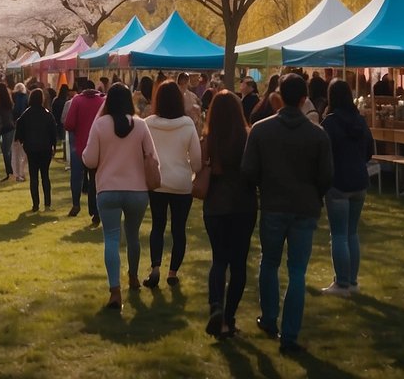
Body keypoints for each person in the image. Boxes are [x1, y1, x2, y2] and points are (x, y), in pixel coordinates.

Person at [242, 73, 334, 356]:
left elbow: (248, 171)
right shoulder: (317, 135)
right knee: (297, 271)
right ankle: (289, 334)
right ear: (304, 100)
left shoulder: (261, 130)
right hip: (304, 208)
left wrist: (263, 187)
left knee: (269, 262)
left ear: (278, 96)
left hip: (273, 205)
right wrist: (313, 194)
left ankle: (270, 319)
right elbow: (326, 176)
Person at [82, 83, 157, 310]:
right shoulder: (141, 125)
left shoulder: (100, 125)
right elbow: (152, 157)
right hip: (137, 191)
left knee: (112, 239)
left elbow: (90, 160)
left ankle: (115, 291)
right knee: (133, 237)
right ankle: (133, 277)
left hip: (108, 190)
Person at [201, 89, 257, 339]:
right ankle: (229, 317)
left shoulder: (210, 139)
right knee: (238, 264)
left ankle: (216, 305)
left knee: (219, 259)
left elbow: (199, 166)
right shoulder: (248, 137)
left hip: (215, 206)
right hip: (243, 205)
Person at [143, 80, 201, 288]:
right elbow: (196, 159)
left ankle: (155, 267)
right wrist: (193, 171)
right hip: (181, 183)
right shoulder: (187, 124)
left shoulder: (148, 123)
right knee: (179, 229)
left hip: (157, 182)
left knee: (157, 226)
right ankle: (172, 272)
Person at [320, 79, 374, 297]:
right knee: (352, 233)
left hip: (338, 183)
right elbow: (369, 150)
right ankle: (351, 280)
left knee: (340, 234)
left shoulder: (330, 123)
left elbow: (322, 153)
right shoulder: (360, 121)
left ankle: (342, 283)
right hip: (359, 181)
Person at [63, 78, 105, 225]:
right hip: (98, 148)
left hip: (79, 146)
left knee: (76, 176)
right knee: (95, 180)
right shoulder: (103, 101)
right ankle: (95, 210)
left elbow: (68, 124)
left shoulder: (77, 101)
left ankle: (76, 203)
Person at [14, 88, 58, 211]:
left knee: (34, 177)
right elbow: (53, 132)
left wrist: (23, 142)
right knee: (45, 175)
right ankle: (47, 204)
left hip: (31, 148)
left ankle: (35, 204)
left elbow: (19, 130)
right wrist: (53, 146)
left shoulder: (26, 114)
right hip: (45, 148)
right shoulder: (47, 114)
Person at [0, 81, 17, 181]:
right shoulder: (9, 101)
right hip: (10, 126)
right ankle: (11, 170)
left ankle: (10, 171)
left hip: (3, 127)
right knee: (7, 150)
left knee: (5, 150)